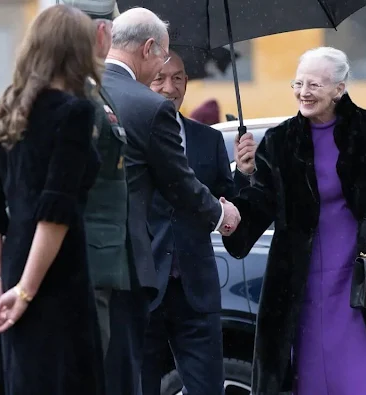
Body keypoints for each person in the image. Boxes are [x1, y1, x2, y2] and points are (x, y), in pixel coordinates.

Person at [225, 46, 366, 395]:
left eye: (314, 84)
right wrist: (245, 175)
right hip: (303, 283)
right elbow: (257, 209)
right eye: (298, 84)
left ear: (339, 89)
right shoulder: (279, 141)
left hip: (362, 278)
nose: (303, 92)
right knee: (314, 382)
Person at [0, 5, 105, 395]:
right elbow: (55, 211)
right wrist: (25, 292)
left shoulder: (8, 112)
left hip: (12, 271)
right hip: (55, 272)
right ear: (77, 51)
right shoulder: (75, 112)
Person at [100, 7, 241, 394]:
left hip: (176, 283)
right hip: (140, 275)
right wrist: (220, 214)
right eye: (160, 64)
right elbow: (180, 184)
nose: (166, 82)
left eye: (177, 76)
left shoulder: (83, 92)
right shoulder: (145, 108)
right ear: (148, 49)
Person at [142, 49, 234, 395]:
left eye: (178, 78)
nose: (170, 87)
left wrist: (248, 172)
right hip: (145, 283)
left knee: (208, 389)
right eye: (160, 78)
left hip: (196, 288)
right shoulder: (130, 135)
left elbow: (227, 206)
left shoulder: (208, 140)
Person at [59, 0, 127, 362]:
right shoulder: (78, 95)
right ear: (101, 33)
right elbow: (63, 191)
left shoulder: (92, 89)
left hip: (93, 263)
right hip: (80, 262)